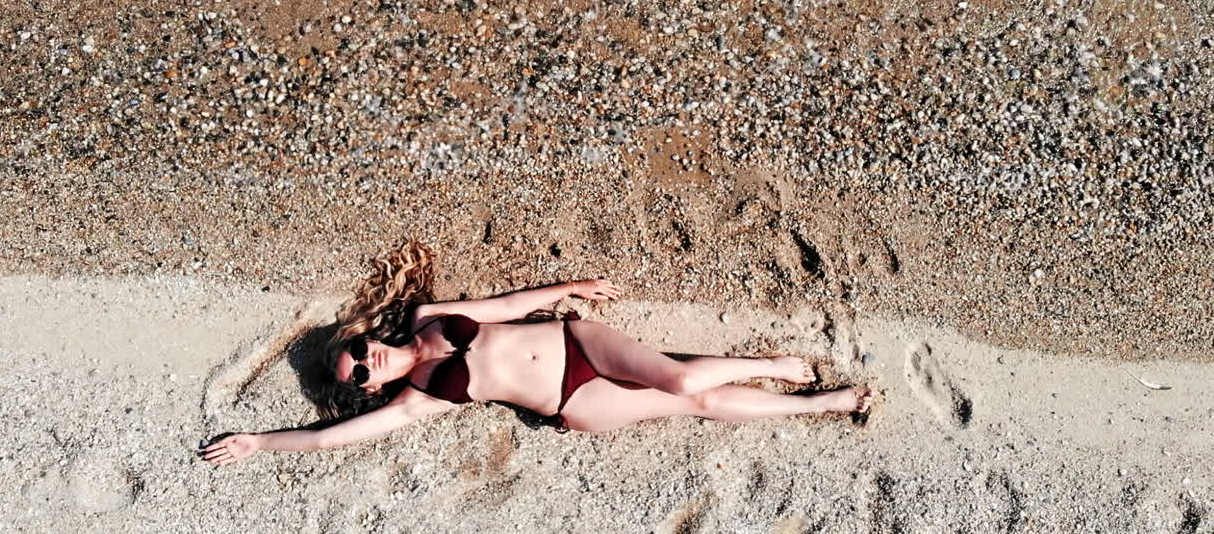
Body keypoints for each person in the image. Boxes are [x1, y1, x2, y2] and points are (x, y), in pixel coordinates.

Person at [202, 241, 872, 466]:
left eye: (355, 350)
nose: (361, 362)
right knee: (692, 403)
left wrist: (571, 286)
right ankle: (822, 401)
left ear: (367, 338)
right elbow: (330, 441)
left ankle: (776, 367)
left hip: (576, 341)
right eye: (354, 374)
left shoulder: (429, 318)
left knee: (677, 376)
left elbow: (505, 307)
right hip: (572, 402)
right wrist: (261, 442)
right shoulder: (419, 400)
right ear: (366, 388)